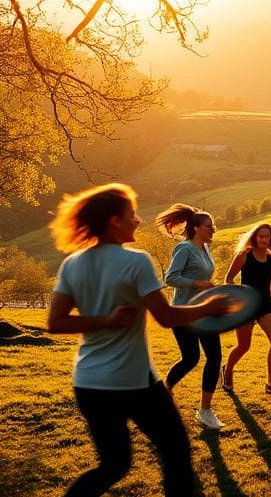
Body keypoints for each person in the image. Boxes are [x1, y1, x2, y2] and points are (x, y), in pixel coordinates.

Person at [47, 183, 237, 497]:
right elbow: (166, 317)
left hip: (89, 383)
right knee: (176, 452)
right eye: (131, 214)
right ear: (114, 221)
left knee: (114, 466)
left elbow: (56, 322)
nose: (137, 220)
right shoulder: (136, 261)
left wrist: (102, 321)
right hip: (131, 382)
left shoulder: (72, 263)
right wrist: (211, 306)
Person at [155, 203, 225, 429]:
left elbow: (202, 279)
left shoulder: (205, 249)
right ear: (195, 228)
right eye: (209, 226)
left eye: (213, 226)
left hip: (203, 311)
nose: (213, 229)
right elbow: (171, 278)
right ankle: (164, 393)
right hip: (183, 312)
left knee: (214, 357)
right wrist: (197, 283)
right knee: (191, 358)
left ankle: (205, 411)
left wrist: (210, 289)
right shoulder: (184, 249)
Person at [222, 222, 271, 396]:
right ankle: (227, 370)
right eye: (261, 236)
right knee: (244, 346)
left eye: (267, 236)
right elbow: (228, 279)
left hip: (265, 304)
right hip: (246, 306)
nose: (264, 239)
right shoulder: (245, 255)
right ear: (255, 237)